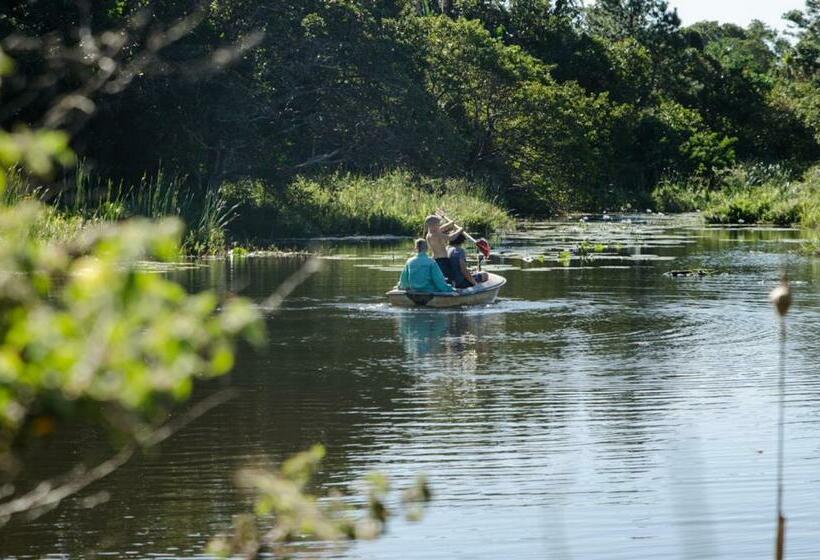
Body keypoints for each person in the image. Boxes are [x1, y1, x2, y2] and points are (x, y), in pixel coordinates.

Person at [424, 214, 463, 282]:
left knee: (441, 277)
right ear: (432, 225)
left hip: (436, 260)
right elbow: (451, 237)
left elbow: (442, 228)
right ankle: (449, 289)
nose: (439, 226)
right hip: (442, 260)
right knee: (447, 278)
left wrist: (450, 223)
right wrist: (460, 230)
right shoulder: (436, 234)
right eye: (438, 224)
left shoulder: (429, 234)